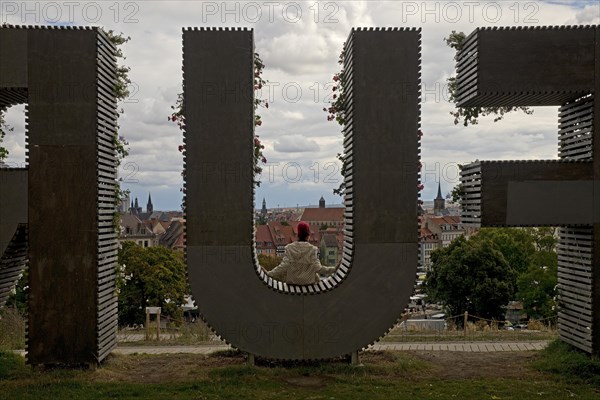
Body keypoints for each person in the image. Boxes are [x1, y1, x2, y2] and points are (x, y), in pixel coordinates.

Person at [265, 221, 336, 285]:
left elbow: (283, 266)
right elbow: (319, 269)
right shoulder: (313, 250)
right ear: (308, 236)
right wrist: (335, 269)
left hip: (292, 284)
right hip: (308, 285)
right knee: (316, 275)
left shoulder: (290, 248)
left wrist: (269, 274)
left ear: (298, 235)